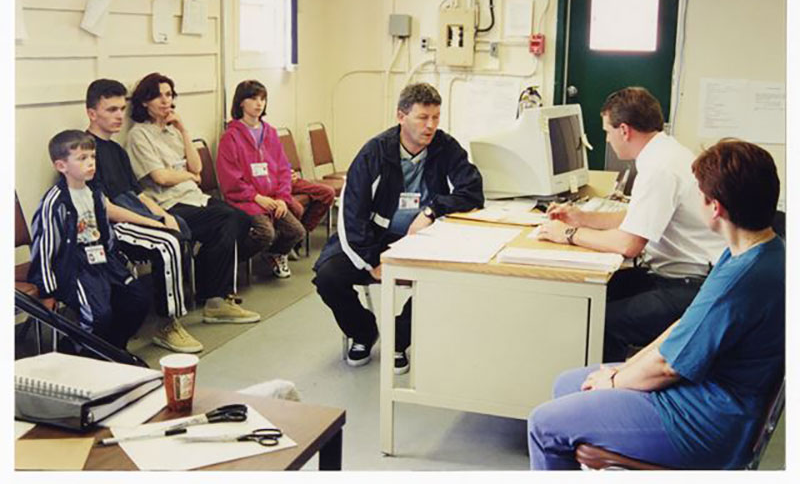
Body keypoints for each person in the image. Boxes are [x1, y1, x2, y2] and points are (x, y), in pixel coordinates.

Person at [527, 139, 784, 470]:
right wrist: (624, 368)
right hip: (707, 394)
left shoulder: (742, 278)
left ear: (715, 207)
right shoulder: (756, 251)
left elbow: (669, 367)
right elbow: (683, 326)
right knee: (567, 383)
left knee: (544, 425)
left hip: (703, 421)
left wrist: (615, 384)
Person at [537, 87, 726, 362]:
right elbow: (637, 218)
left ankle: (608, 391)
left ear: (624, 130)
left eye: (607, 131)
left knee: (595, 319)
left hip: (688, 287)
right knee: (591, 298)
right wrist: (582, 217)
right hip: (683, 277)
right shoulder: (666, 152)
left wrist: (568, 233)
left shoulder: (659, 169)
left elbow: (629, 244)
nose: (608, 138)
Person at [312, 83, 484, 373]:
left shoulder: (445, 147)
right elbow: (351, 214)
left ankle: (398, 338)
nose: (430, 126)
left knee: (445, 278)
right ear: (401, 116)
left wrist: (432, 211)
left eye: (436, 118)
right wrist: (370, 262)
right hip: (373, 238)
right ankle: (363, 332)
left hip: (426, 238)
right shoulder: (374, 153)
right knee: (328, 277)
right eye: (423, 118)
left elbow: (473, 192)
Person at [126, 72, 261, 324]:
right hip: (168, 204)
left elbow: (197, 168)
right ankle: (215, 299)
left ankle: (210, 290)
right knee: (227, 218)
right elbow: (161, 177)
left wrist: (183, 129)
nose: (165, 101)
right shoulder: (139, 135)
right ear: (145, 102)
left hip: (194, 197)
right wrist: (188, 175)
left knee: (242, 219)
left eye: (168, 95)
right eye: (158, 96)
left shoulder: (173, 131)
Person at [85, 78, 203, 353]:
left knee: (178, 229)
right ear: (92, 113)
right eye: (111, 110)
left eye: (121, 109)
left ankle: (169, 311)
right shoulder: (85, 150)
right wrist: (152, 223)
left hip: (131, 210)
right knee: (166, 243)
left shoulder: (115, 149)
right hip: (109, 224)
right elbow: (103, 207)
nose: (119, 116)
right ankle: (167, 323)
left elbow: (138, 193)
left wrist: (163, 215)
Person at [27, 130, 150, 350]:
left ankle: (113, 349)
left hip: (103, 259)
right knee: (98, 316)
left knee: (138, 299)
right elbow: (44, 247)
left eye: (92, 157)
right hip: (74, 266)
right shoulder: (55, 202)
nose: (91, 163)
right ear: (61, 166)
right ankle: (77, 352)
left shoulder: (95, 193)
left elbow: (105, 231)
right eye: (82, 158)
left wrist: (117, 259)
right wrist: (47, 290)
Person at [216, 80, 305, 278]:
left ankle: (274, 254)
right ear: (241, 102)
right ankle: (227, 261)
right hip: (246, 201)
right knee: (266, 233)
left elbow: (283, 168)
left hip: (273, 199)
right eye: (253, 98)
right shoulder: (230, 137)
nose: (259, 103)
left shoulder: (271, 133)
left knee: (297, 232)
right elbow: (230, 178)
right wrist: (256, 197)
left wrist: (282, 197)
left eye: (262, 99)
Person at [286, 170, 336, 259]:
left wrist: (289, 172)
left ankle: (300, 235)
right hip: (271, 182)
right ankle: (289, 240)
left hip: (288, 180)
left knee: (327, 193)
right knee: (297, 208)